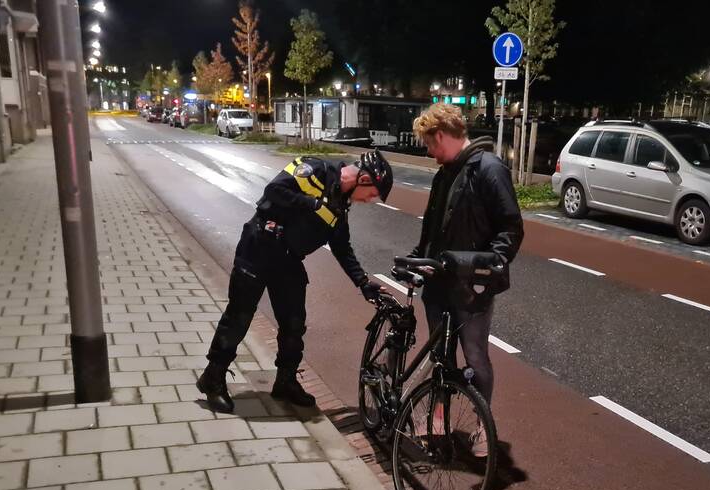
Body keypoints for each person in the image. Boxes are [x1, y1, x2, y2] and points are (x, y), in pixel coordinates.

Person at [197, 151, 394, 413]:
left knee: (294, 324)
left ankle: (285, 381)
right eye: (371, 195)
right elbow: (274, 190)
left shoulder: (340, 204)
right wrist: (311, 203)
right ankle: (213, 377)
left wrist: (363, 283)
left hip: (288, 260)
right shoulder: (315, 169)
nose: (369, 200)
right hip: (259, 246)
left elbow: (342, 247)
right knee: (239, 317)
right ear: (365, 179)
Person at [409, 104, 523, 450]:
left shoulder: (489, 169)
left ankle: (482, 428)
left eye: (430, 144)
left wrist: (487, 267)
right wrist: (418, 258)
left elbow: (510, 228)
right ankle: (439, 418)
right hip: (438, 282)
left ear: (442, 135)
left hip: (471, 285)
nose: (430, 153)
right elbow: (433, 227)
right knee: (441, 355)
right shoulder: (445, 173)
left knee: (475, 356)